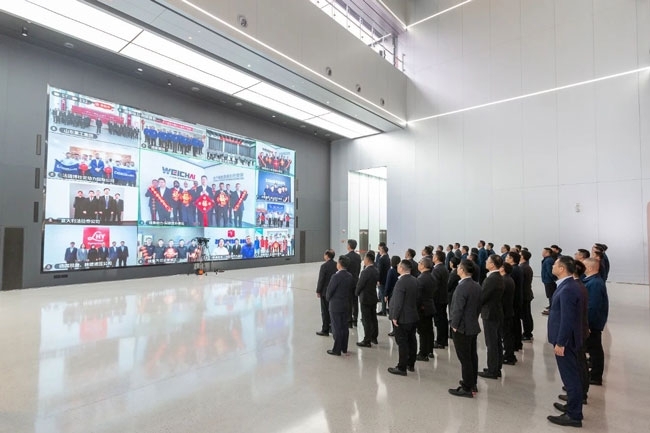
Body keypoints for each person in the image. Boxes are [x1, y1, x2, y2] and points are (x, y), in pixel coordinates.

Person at [547, 256, 584, 427]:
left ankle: (574, 415)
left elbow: (567, 319)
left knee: (570, 377)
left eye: (555, 264)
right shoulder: (569, 285)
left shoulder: (568, 288)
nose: (552, 266)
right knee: (571, 375)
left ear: (562, 269)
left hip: (565, 341)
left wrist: (561, 342)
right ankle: (571, 406)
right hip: (568, 338)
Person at [448, 260, 482, 398]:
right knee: (472, 356)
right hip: (473, 325)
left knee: (465, 358)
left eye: (458, 267)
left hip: (462, 328)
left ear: (462, 270)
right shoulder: (476, 285)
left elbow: (458, 309)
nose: (457, 269)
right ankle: (472, 383)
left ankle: (467, 388)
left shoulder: (462, 287)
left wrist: (454, 325)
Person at [387, 260, 419, 376]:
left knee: (402, 342)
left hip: (403, 317)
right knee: (412, 340)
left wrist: (395, 317)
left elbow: (398, 302)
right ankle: (411, 363)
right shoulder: (415, 280)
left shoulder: (401, 282)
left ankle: (402, 367)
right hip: (413, 315)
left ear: (401, 268)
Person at [582, 258, 609, 386]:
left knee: (595, 348)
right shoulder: (592, 281)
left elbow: (593, 306)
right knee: (593, 348)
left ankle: (596, 376)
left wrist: (588, 324)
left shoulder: (595, 284)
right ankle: (594, 370)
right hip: (593, 321)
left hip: (593, 323)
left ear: (590, 268)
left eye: (584, 265)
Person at [478, 255, 504, 379]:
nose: (485, 262)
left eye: (488, 261)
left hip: (490, 313)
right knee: (496, 341)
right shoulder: (498, 277)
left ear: (493, 264)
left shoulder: (491, 279)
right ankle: (496, 367)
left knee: (491, 343)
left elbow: (483, 297)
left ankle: (492, 370)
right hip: (496, 311)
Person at [325, 255, 355, 356]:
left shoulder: (336, 276)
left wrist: (328, 298)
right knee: (344, 327)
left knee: (336, 327)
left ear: (340, 264)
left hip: (335, 305)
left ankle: (336, 349)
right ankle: (344, 347)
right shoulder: (349, 275)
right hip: (346, 304)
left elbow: (329, 291)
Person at [355, 251, 379, 347]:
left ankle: (367, 340)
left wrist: (356, 293)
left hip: (365, 298)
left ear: (368, 260)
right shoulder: (376, 270)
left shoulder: (365, 272)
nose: (363, 260)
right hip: (373, 296)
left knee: (366, 319)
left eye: (364, 259)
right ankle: (374, 337)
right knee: (373, 318)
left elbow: (360, 284)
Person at [415, 257, 435, 361]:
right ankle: (429, 350)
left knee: (422, 331)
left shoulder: (421, 278)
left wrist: (416, 307)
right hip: (430, 306)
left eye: (419, 263)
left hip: (423, 308)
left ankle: (423, 353)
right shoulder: (431, 276)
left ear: (423, 265)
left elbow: (418, 297)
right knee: (429, 330)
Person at [432, 250, 449, 349]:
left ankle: (440, 341)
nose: (433, 257)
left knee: (439, 321)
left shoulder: (437, 269)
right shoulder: (443, 268)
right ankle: (443, 340)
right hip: (443, 298)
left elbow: (435, 286)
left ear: (437, 258)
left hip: (438, 299)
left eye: (434, 256)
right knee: (443, 320)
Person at [500, 262, 517, 365]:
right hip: (508, 310)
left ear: (503, 269)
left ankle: (509, 356)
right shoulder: (508, 279)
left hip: (505, 311)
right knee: (508, 334)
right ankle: (510, 355)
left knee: (506, 335)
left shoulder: (504, 280)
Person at [346, 239, 362, 328]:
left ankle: (349, 320)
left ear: (349, 246)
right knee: (355, 301)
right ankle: (355, 319)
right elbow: (358, 269)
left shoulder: (346, 257)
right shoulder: (358, 257)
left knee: (348, 301)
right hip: (356, 280)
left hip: (348, 282)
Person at [520, 250, 534, 341]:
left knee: (525, 315)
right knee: (527, 314)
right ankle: (528, 332)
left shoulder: (523, 268)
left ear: (522, 257)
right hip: (527, 294)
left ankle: (527, 333)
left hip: (524, 295)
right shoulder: (526, 267)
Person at [384, 255, 400, 337]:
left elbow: (388, 283)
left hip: (391, 294)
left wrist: (385, 294)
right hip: (399, 293)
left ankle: (394, 330)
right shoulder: (399, 270)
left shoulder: (391, 271)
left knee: (392, 312)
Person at [376, 245, 391, 316]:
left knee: (382, 295)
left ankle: (383, 310)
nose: (379, 250)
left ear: (382, 250)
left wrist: (378, 279)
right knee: (385, 294)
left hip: (382, 279)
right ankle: (385, 309)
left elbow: (380, 270)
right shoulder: (387, 258)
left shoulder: (381, 259)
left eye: (380, 249)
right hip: (386, 278)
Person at [541, 247, 556, 315]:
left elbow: (550, 271)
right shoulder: (547, 260)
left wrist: (553, 278)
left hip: (549, 280)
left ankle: (551, 310)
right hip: (547, 280)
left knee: (550, 295)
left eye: (543, 252)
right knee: (550, 295)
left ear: (547, 253)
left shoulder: (548, 260)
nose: (542, 253)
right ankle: (551, 307)